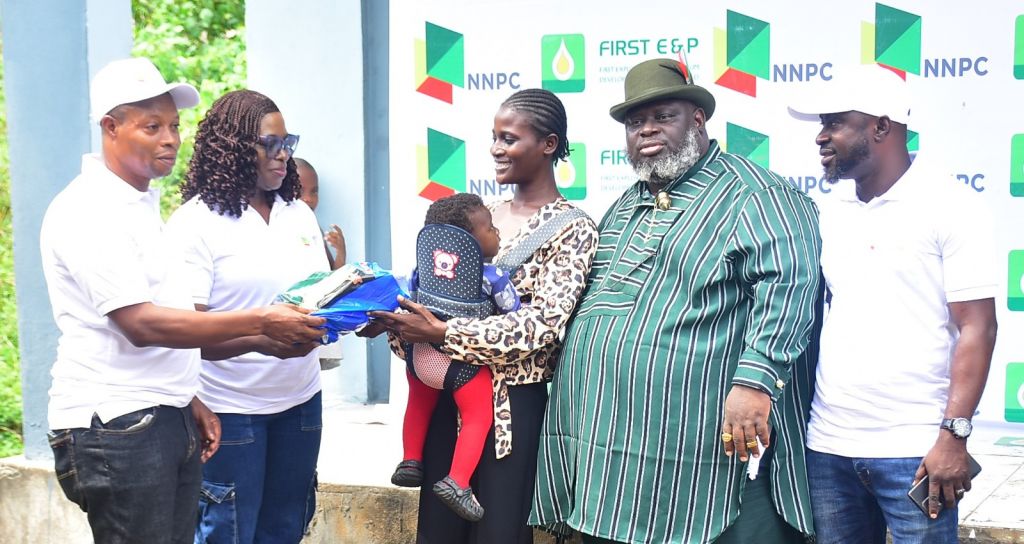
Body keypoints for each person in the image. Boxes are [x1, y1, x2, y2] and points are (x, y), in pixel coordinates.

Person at [530, 58, 822, 543]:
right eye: (634, 122)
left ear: (698, 119)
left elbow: (789, 287)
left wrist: (755, 383)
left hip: (702, 441)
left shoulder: (756, 194)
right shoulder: (627, 202)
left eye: (662, 116)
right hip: (606, 443)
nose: (645, 130)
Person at [39, 58, 325, 544]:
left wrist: (187, 396)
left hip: (166, 412)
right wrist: (262, 325)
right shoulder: (90, 209)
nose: (170, 138)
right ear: (110, 127)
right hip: (118, 424)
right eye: (152, 126)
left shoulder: (141, 206)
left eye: (173, 126)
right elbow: (141, 324)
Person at [364, 88, 598, 543]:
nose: (495, 148)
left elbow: (542, 328)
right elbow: (428, 299)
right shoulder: (474, 215)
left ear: (548, 145)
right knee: (439, 535)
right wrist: (399, 326)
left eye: (508, 139)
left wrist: (445, 331)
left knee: (498, 534)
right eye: (493, 137)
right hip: (444, 402)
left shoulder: (573, 229)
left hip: (511, 414)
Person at [788, 64, 998, 544]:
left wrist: (953, 438)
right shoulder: (828, 212)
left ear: (882, 126)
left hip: (916, 451)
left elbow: (978, 329)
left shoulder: (951, 205)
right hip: (827, 449)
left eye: (836, 122)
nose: (821, 136)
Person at [164, 90, 328, 544]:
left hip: (300, 403)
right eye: (270, 144)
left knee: (286, 528)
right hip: (231, 414)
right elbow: (186, 335)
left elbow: (311, 297)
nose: (283, 156)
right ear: (234, 147)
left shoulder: (297, 214)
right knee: (230, 533)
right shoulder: (195, 224)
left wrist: (350, 313)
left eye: (287, 142)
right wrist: (262, 336)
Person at [391, 192, 522, 522]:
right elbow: (514, 313)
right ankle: (458, 482)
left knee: (419, 403)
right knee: (478, 416)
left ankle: (410, 459)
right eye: (490, 228)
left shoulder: (421, 270)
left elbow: (406, 295)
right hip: (460, 364)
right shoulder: (491, 275)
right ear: (468, 242)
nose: (497, 233)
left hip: (420, 359)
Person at [295, 157, 346, 270]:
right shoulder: (278, 227)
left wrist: (340, 252)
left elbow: (333, 278)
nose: (308, 198)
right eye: (300, 190)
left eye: (314, 192)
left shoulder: (314, 229)